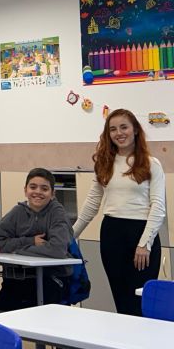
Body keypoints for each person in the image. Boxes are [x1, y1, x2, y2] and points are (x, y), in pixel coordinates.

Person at [73, 109, 165, 316]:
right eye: (113, 129)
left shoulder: (151, 163)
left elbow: (158, 206)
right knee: (121, 299)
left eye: (124, 127)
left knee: (140, 301)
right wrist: (70, 236)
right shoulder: (104, 163)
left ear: (135, 130)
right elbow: (92, 203)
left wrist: (145, 244)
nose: (119, 133)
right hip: (112, 233)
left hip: (141, 233)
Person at [0, 168, 73, 310]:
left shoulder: (57, 213)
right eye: (33, 187)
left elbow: (57, 249)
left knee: (40, 313)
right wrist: (30, 241)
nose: (38, 192)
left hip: (51, 278)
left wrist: (17, 250)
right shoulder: (17, 212)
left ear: (53, 193)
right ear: (25, 190)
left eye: (44, 189)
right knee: (0, 313)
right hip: (16, 279)